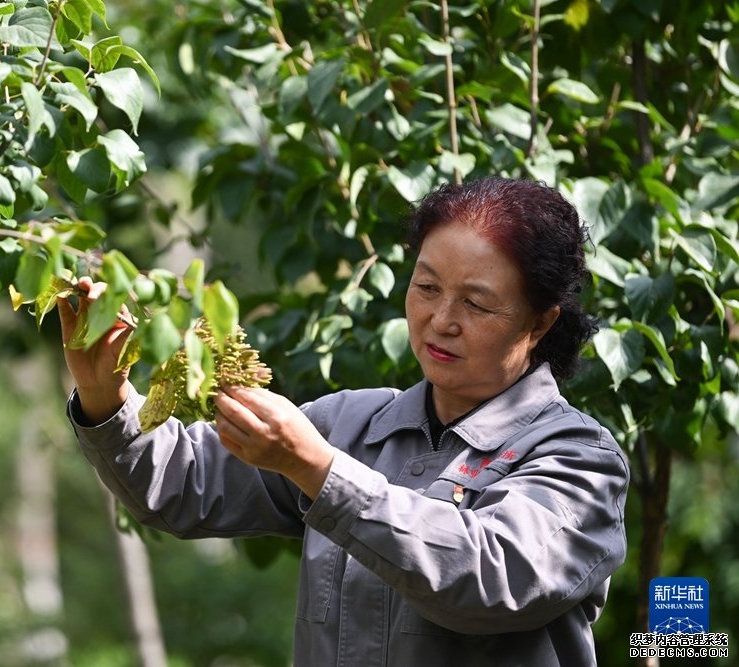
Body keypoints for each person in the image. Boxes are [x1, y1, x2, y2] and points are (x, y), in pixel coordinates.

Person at [58, 176, 629, 667]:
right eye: (426, 287)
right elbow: (182, 484)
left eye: (477, 304)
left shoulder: (580, 459)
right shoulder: (350, 423)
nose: (441, 320)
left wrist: (319, 469)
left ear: (539, 323)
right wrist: (105, 395)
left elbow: (492, 577)